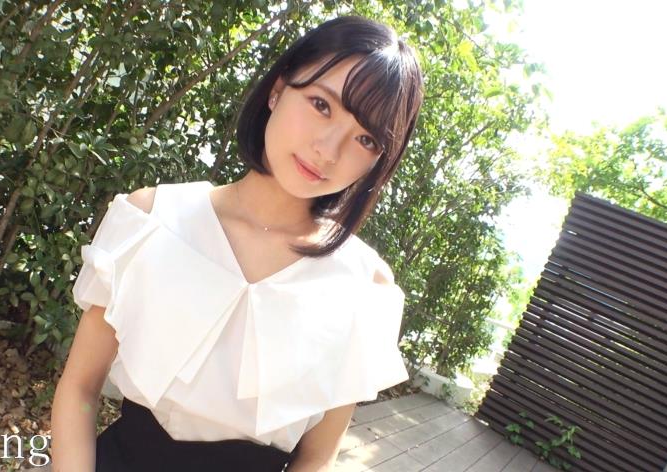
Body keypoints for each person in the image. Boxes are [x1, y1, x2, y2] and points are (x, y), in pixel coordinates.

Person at [50, 15, 424, 472]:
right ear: (278, 90)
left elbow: (317, 456)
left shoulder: (364, 288)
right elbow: (80, 388)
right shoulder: (153, 220)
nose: (328, 150)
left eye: (365, 138)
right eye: (321, 105)